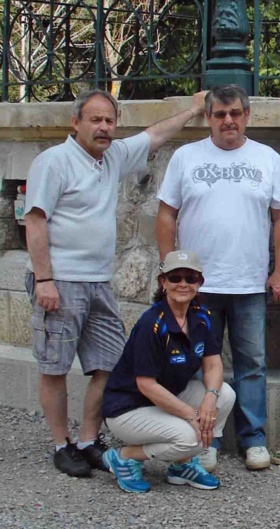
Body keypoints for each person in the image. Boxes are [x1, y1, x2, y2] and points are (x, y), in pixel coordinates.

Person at [23, 88, 206, 477]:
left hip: (99, 283)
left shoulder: (112, 158)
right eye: (96, 120)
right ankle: (61, 445)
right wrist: (44, 280)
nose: (104, 127)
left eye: (110, 120)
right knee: (54, 367)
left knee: (108, 364)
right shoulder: (52, 162)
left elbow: (154, 135)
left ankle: (88, 441)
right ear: (76, 122)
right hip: (61, 280)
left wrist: (191, 110)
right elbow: (35, 220)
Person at [156, 84, 280, 471]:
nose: (228, 120)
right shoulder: (186, 157)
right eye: (219, 114)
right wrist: (169, 270)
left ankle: (254, 440)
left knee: (252, 363)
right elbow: (166, 215)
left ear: (247, 116)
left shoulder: (267, 158)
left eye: (235, 113)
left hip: (249, 282)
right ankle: (207, 438)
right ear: (209, 117)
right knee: (199, 364)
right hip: (196, 288)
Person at [100, 250, 236, 493]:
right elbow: (146, 385)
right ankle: (123, 457)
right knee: (191, 437)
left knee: (225, 395)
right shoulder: (151, 324)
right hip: (129, 408)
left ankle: (181, 465)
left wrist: (210, 397)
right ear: (163, 282)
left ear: (199, 283)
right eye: (175, 278)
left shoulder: (201, 317)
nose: (182, 284)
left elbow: (213, 363)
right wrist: (191, 416)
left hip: (164, 400)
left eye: (190, 278)